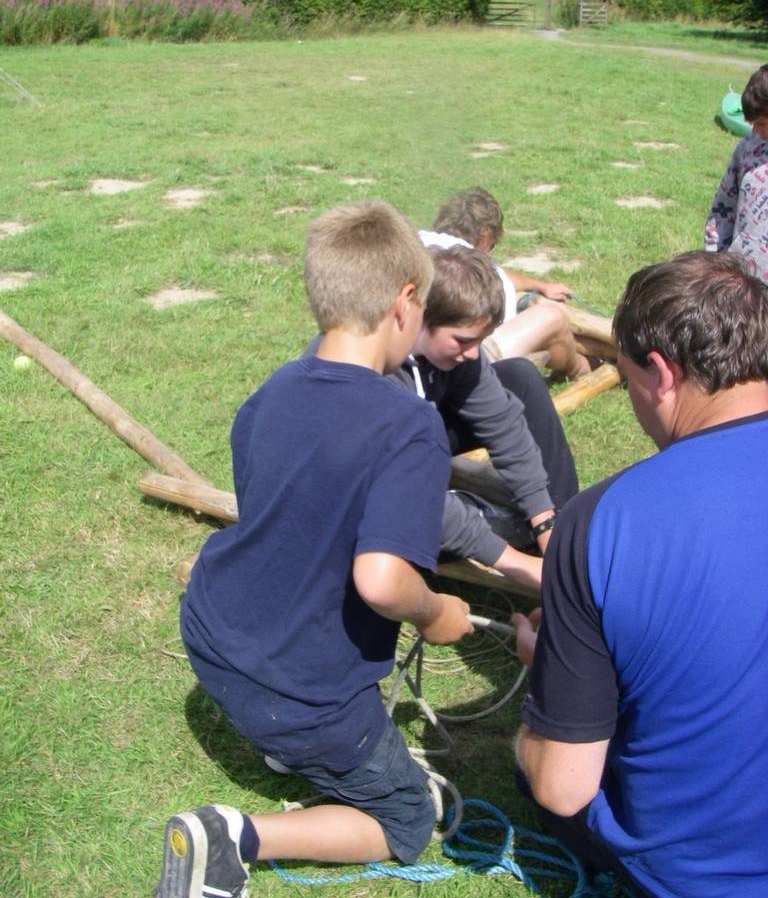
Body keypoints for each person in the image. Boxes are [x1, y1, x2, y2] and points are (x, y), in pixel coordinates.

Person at [156, 201, 474, 898]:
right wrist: (435, 612)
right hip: (297, 696)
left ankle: (282, 748)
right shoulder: (409, 425)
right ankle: (236, 836)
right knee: (406, 820)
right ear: (405, 301)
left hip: (210, 639)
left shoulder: (271, 392)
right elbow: (383, 580)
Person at [513, 251, 768, 898]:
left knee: (540, 764)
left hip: (697, 877)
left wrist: (546, 676)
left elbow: (562, 785)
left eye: (625, 382)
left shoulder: (601, 522)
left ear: (659, 373)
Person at [390, 244, 579, 593]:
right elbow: (410, 496)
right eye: (462, 340)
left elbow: (505, 427)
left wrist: (545, 522)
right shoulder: (378, 372)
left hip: (425, 426)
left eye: (480, 340)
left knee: (519, 376)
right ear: (420, 316)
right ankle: (503, 539)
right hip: (382, 479)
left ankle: (563, 541)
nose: (474, 353)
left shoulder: (461, 353)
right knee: (413, 520)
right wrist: (509, 561)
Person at [421, 187, 592, 379]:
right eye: (492, 245)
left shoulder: (419, 243)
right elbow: (503, 314)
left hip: (423, 346)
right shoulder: (482, 270)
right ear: (486, 236)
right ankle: (581, 368)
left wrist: (540, 286)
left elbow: (503, 275)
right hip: (471, 356)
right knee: (554, 317)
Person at [705, 63, 768, 283]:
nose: (755, 131)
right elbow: (722, 209)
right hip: (743, 285)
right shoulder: (749, 148)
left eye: (761, 123)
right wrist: (713, 262)